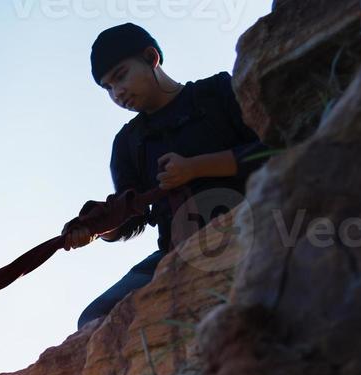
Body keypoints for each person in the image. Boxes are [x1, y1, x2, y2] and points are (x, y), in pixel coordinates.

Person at [68, 23, 267, 329]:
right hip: (175, 254)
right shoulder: (127, 143)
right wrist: (95, 228)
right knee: (94, 320)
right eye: (107, 87)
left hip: (254, 220)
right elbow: (132, 219)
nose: (117, 92)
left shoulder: (216, 92)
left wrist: (196, 167)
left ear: (151, 57)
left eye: (120, 75)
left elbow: (273, 148)